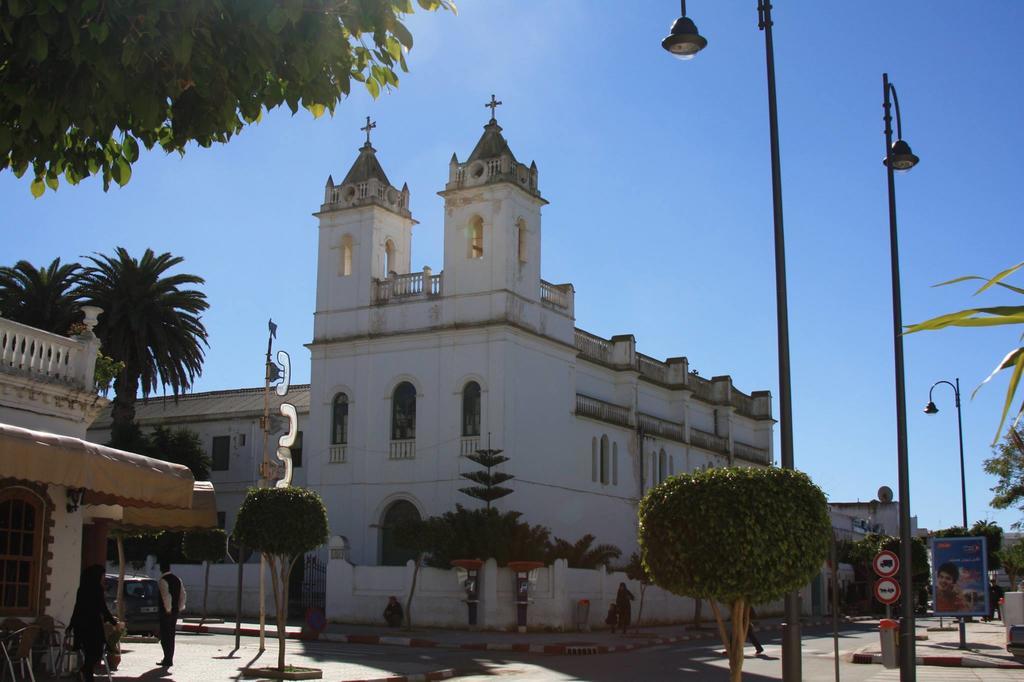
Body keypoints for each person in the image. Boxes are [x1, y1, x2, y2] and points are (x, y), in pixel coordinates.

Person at [69, 565, 118, 682]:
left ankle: (88, 676)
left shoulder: (82, 588)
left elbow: (77, 607)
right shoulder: (97, 589)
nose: (103, 578)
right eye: (102, 575)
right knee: (96, 651)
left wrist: (72, 624)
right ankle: (85, 671)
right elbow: (103, 607)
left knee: (89, 652)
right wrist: (113, 622)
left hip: (81, 624)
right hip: (92, 625)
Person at [157, 560, 186, 667]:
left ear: (161, 569)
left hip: (166, 612)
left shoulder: (163, 580)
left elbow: (166, 596)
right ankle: (169, 658)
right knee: (171, 635)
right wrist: (179, 608)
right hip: (175, 612)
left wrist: (168, 609)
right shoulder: (178, 579)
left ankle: (167, 658)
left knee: (165, 636)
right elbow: (183, 595)